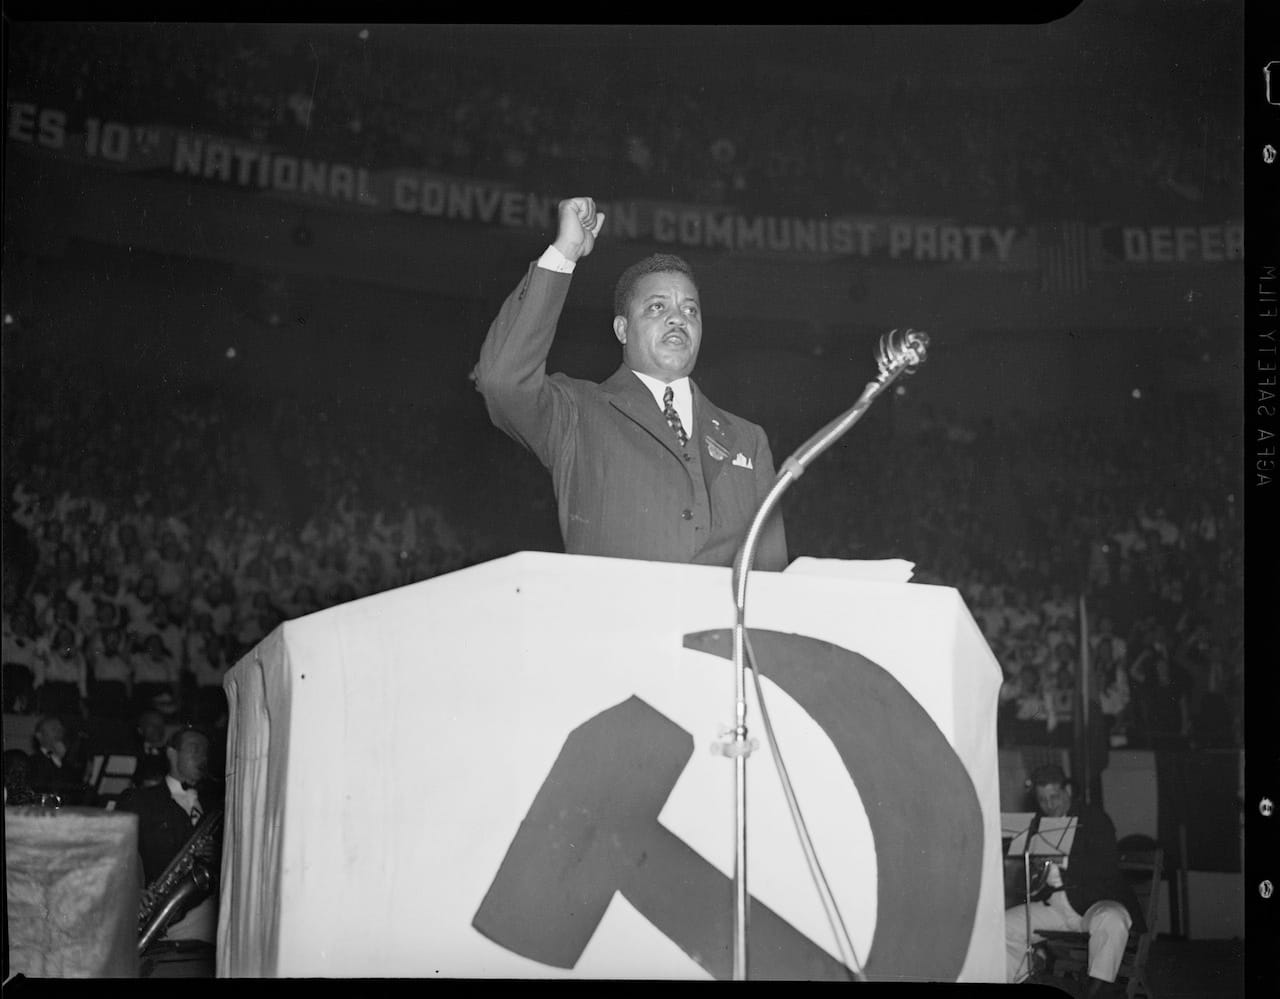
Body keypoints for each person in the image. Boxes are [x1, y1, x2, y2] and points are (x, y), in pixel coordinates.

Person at [473, 196, 787, 570]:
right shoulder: (576, 412)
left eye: (690, 310)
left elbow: (770, 579)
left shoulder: (748, 439)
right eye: (657, 307)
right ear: (623, 329)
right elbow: (501, 381)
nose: (677, 319)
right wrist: (564, 253)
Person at [1005, 764, 1145, 998]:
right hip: (1057, 908)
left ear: (1067, 790)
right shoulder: (1038, 824)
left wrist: (1063, 860)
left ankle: (1098, 991)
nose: (1050, 805)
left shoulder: (1094, 818)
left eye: (1055, 797)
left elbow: (1107, 867)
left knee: (1112, 919)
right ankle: (1026, 977)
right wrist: (1034, 869)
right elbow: (1034, 884)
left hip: (1095, 903)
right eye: (1043, 800)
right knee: (1003, 926)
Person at [117, 727, 223, 969]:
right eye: (195, 749)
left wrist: (220, 856)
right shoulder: (140, 800)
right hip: (161, 924)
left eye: (205, 751)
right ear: (172, 753)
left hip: (211, 922)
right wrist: (132, 892)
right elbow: (114, 856)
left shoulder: (217, 804)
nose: (202, 757)